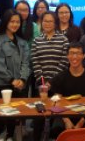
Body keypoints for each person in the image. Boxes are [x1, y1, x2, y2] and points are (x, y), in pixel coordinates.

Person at [0, 9, 30, 140]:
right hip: (3, 85)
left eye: (18, 22)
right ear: (6, 22)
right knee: (3, 117)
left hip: (20, 85)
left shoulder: (22, 42)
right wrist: (12, 80)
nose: (15, 24)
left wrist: (22, 79)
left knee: (18, 116)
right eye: (12, 21)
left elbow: (26, 63)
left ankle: (14, 136)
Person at [31, 11, 69, 141]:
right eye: (45, 21)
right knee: (39, 116)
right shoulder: (36, 40)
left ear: (55, 23)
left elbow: (64, 62)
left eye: (50, 21)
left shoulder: (63, 39)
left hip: (58, 85)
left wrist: (51, 82)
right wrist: (42, 81)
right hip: (41, 86)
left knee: (57, 116)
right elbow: (35, 61)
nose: (47, 24)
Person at [50, 42, 85, 136]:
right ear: (67, 56)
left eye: (78, 53)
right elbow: (57, 102)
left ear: (83, 56)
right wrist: (66, 120)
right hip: (65, 114)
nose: (74, 56)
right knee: (57, 126)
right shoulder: (60, 77)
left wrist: (80, 124)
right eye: (71, 53)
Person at [15, 0, 40, 97]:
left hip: (30, 67)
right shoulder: (12, 25)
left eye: (25, 10)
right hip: (13, 68)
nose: (22, 13)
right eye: (19, 10)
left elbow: (35, 48)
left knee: (29, 95)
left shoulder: (34, 26)